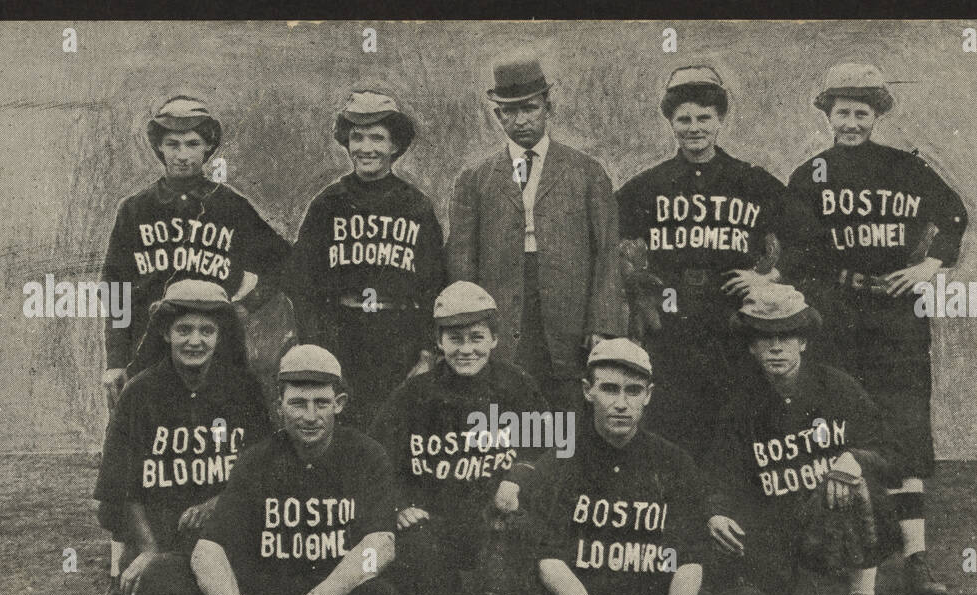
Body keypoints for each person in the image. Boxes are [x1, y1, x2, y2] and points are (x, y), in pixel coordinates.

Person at [83, 95, 290, 595]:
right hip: (151, 353)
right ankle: (120, 583)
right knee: (135, 461)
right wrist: (113, 361)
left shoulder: (229, 207)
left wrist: (241, 307)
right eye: (171, 143)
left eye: (193, 143)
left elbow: (285, 263)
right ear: (158, 147)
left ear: (209, 148)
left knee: (216, 454)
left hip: (214, 352)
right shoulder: (135, 210)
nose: (181, 154)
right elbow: (118, 292)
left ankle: (216, 570)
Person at [496, 338, 771, 595]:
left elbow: (689, 557)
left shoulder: (672, 461)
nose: (621, 403)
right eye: (609, 389)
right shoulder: (560, 460)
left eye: (633, 391)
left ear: (649, 395)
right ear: (588, 391)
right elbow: (548, 560)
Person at [787, 63, 970, 595]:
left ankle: (915, 559)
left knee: (905, 431)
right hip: (838, 314)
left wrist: (927, 268)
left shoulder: (904, 168)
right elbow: (796, 249)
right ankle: (843, 555)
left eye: (861, 113)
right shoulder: (811, 174)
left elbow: (954, 214)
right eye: (842, 111)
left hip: (895, 317)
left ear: (876, 116)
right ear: (827, 114)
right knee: (840, 429)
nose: (851, 122)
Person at [617, 65, 820, 460]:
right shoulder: (649, 185)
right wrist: (636, 287)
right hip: (671, 319)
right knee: (672, 418)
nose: (694, 128)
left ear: (720, 120)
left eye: (704, 118)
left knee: (735, 416)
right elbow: (607, 241)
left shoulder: (751, 180)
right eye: (684, 119)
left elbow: (810, 239)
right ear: (671, 123)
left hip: (732, 319)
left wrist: (770, 276)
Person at [171, 344, 401, 595]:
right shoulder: (256, 460)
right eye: (297, 403)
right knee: (164, 579)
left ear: (339, 405)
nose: (310, 416)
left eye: (321, 403)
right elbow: (209, 550)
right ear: (279, 407)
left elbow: (380, 546)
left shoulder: (366, 455)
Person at [701, 284, 905, 595]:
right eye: (765, 338)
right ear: (750, 345)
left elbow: (892, 453)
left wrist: (855, 458)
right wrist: (716, 512)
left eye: (787, 336)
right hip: (773, 524)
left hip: (826, 512)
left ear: (804, 342)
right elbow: (720, 473)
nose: (776, 347)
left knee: (860, 485)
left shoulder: (837, 388)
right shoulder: (741, 405)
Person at [89, 280, 274, 595]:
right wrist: (148, 550)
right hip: (165, 542)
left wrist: (217, 501)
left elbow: (262, 472)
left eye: (207, 330)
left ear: (221, 336)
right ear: (166, 333)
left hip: (227, 541)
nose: (195, 341)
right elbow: (123, 490)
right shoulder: (140, 394)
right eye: (183, 329)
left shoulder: (244, 389)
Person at [446, 54, 624, 413]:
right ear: (498, 116)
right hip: (503, 309)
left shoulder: (587, 172)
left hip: (568, 312)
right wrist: (466, 326)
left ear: (548, 106)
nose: (521, 120)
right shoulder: (475, 178)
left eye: (529, 108)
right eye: (509, 112)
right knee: (505, 404)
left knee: (566, 412)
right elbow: (462, 259)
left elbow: (607, 252)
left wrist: (602, 323)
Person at [368, 281, 549, 595]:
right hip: (436, 520)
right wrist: (399, 505)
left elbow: (551, 445)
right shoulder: (415, 394)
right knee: (423, 567)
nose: (466, 349)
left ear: (494, 338)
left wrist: (517, 478)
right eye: (455, 339)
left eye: (477, 338)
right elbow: (375, 458)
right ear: (439, 341)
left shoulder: (517, 385)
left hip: (495, 517)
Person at [282, 90, 446, 433]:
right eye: (357, 137)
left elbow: (434, 285)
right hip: (341, 337)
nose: (366, 148)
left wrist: (428, 353)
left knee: (396, 432)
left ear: (395, 145)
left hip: (399, 340)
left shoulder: (415, 206)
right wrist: (314, 345)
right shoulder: (329, 203)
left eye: (377, 138)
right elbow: (302, 283)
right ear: (346, 142)